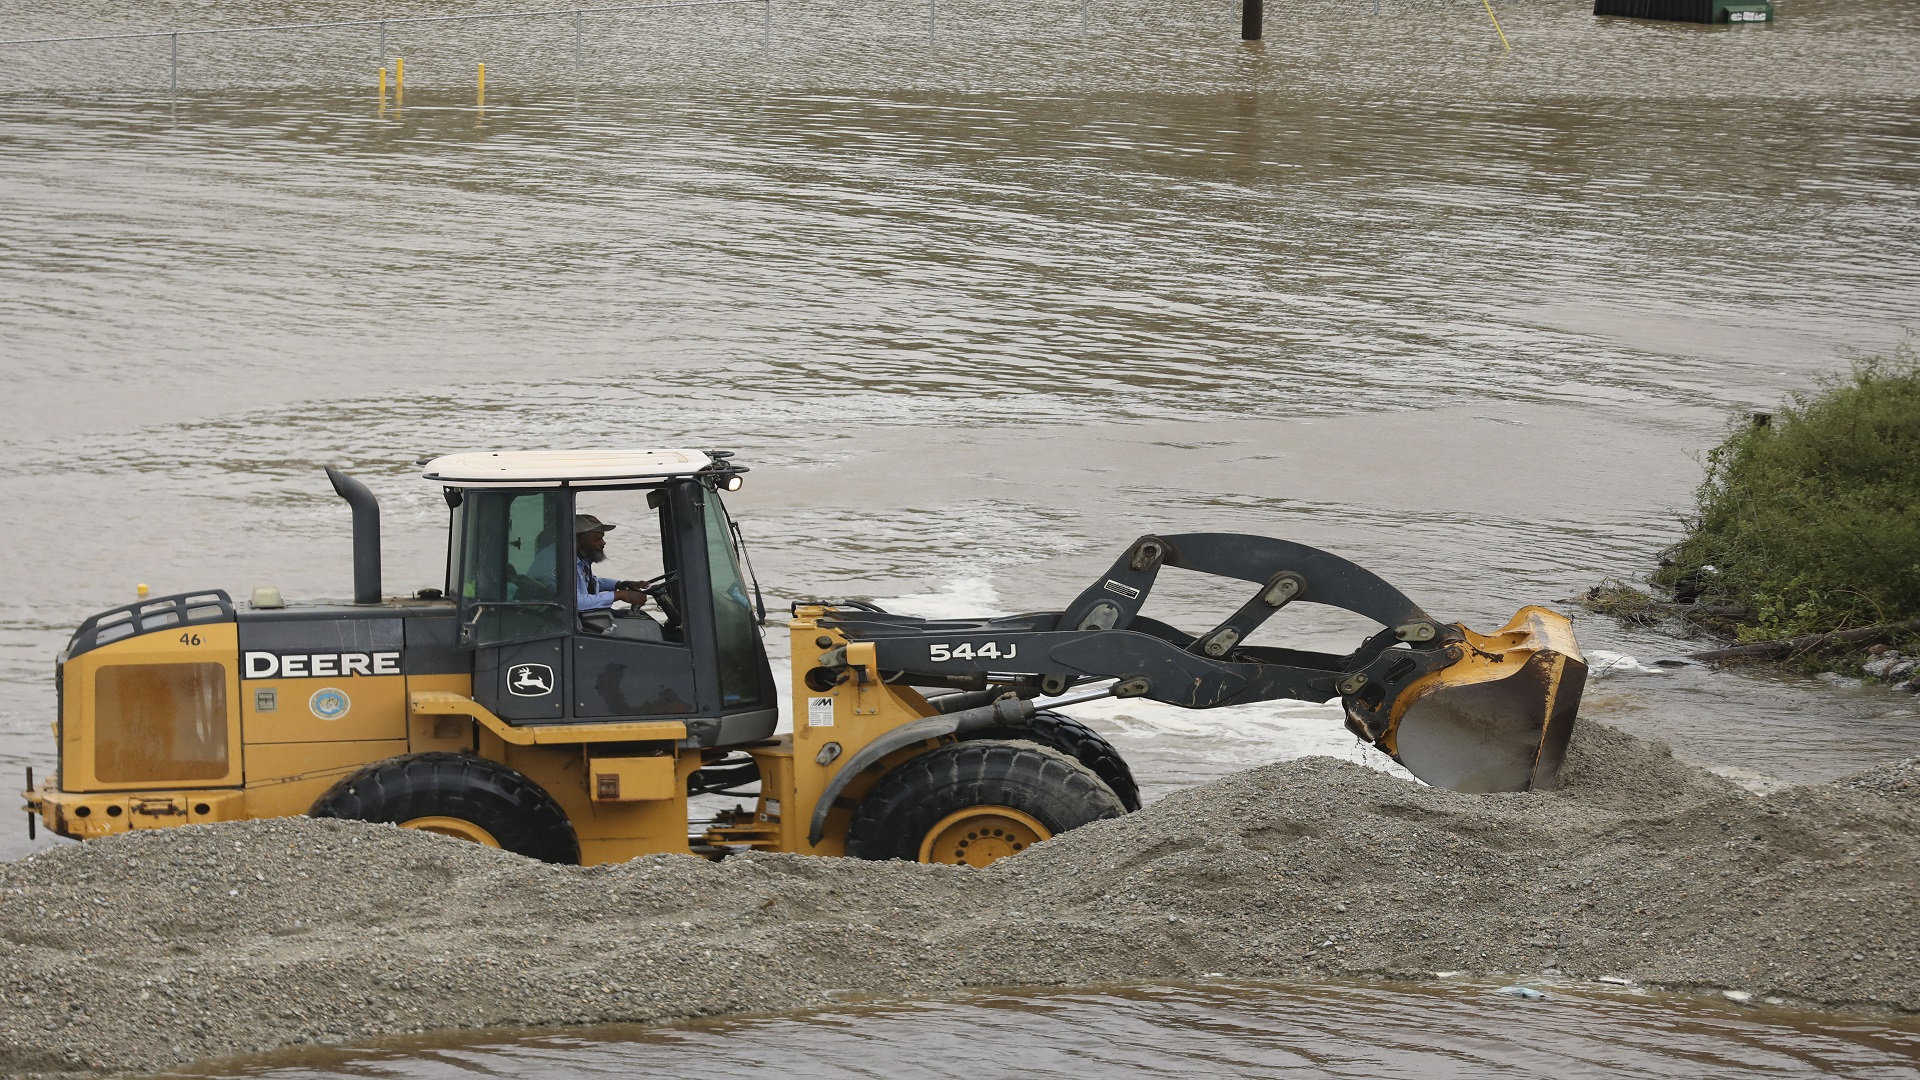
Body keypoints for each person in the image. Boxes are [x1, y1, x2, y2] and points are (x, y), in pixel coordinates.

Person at [573, 514, 652, 613]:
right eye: (597, 539)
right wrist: (619, 595)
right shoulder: (562, 565)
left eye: (602, 538)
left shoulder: (580, 559)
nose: (603, 543)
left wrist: (620, 585)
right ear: (578, 541)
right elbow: (577, 603)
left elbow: (589, 583)